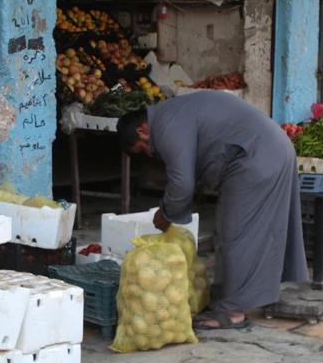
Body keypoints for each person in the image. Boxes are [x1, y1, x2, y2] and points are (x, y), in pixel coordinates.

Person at [116, 91, 308, 330]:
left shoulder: (166, 126)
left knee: (235, 234)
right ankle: (234, 299)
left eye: (143, 148)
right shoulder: (173, 113)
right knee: (261, 230)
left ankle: (232, 312)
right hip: (272, 149)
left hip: (255, 156)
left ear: (142, 131)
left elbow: (182, 183)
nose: (150, 152)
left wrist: (166, 213)